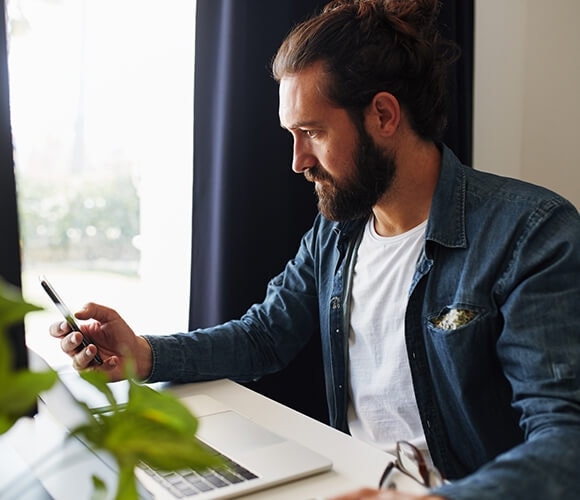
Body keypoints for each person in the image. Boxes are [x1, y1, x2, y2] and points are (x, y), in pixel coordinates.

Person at [50, 1, 580, 498]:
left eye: (313, 132)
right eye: (292, 134)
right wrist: (144, 353)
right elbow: (264, 337)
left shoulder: (531, 233)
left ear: (384, 116)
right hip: (351, 482)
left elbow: (566, 442)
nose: (298, 161)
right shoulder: (340, 230)